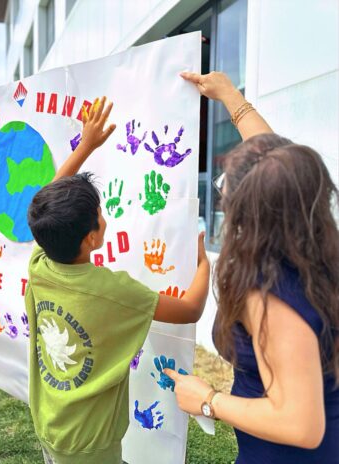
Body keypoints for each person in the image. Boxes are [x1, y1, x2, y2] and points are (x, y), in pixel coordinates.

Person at [25, 97, 210, 464]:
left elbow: (44, 205)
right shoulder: (114, 291)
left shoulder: (39, 264)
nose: (104, 217)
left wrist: (86, 146)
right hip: (92, 445)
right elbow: (190, 309)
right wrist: (204, 264)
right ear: (91, 238)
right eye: (100, 214)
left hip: (50, 423)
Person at [166, 72, 339, 463]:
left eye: (226, 195)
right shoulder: (314, 244)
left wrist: (208, 400)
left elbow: (301, 425)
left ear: (251, 214)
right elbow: (277, 168)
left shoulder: (269, 290)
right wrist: (230, 96)